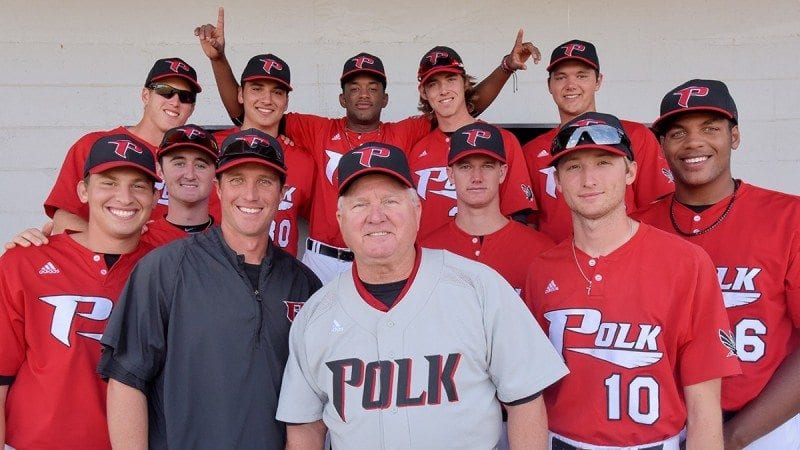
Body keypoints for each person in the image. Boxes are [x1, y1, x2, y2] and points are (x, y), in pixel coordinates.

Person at [195, 6, 539, 282]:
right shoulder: (315, 128)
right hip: (322, 259)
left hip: (382, 254)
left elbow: (461, 106)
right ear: (341, 98)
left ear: (386, 98)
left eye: (373, 88)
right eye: (354, 87)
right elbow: (249, 114)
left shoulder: (405, 133)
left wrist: (506, 67)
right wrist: (219, 59)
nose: (363, 95)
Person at [276, 142, 567, 449]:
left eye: (390, 201)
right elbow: (305, 426)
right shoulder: (316, 314)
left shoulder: (479, 287)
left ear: (417, 211)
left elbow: (525, 401)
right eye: (360, 205)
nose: (376, 217)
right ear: (340, 218)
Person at [523, 112, 740, 449]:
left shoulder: (687, 262)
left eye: (603, 162)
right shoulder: (541, 270)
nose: (588, 180)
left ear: (630, 171)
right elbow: (530, 397)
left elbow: (704, 408)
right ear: (558, 181)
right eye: (573, 167)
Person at [98, 128, 322, 449]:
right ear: (217, 188)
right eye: (236, 180)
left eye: (264, 181)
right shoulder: (164, 268)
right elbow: (125, 380)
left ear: (282, 192)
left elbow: (311, 402)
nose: (250, 195)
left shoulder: (304, 284)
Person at [633, 79, 800, 449]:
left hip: (764, 427)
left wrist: (732, 438)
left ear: (735, 136)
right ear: (661, 146)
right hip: (661, 428)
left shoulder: (790, 217)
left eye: (710, 128)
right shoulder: (635, 226)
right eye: (678, 132)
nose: (694, 142)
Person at [0, 134, 159, 449]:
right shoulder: (25, 261)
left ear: (155, 198)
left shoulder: (164, 269)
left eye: (138, 186)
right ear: (83, 191)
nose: (125, 198)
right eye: (109, 183)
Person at [521, 39, 673, 242]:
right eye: (561, 77)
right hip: (558, 263)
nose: (571, 85)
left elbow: (658, 208)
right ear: (549, 85)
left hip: (626, 260)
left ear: (598, 81)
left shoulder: (635, 135)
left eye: (582, 75)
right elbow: (531, 223)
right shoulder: (532, 151)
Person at [44, 57, 203, 234]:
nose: (175, 102)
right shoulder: (94, 145)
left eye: (186, 96)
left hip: (178, 259)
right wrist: (119, 245)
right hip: (109, 259)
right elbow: (65, 219)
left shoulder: (199, 161)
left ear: (192, 108)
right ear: (146, 95)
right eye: (165, 91)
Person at [410, 45, 536, 236]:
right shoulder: (416, 149)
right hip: (430, 259)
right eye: (433, 84)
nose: (443, 90)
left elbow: (519, 216)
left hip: (485, 259)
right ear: (424, 92)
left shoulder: (502, 139)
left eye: (451, 79)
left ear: (465, 83)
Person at [420, 121, 554, 293]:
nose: (477, 177)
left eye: (487, 166)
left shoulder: (542, 250)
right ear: (451, 174)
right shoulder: (427, 252)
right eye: (465, 166)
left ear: (502, 172)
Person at [212, 53, 314, 256]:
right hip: (215, 271)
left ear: (286, 102)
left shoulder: (304, 161)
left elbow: (325, 222)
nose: (267, 100)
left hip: (280, 277)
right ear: (241, 94)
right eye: (257, 89)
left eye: (277, 92)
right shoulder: (212, 147)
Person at [142, 124, 220, 246]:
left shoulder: (231, 241)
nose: (190, 175)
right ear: (159, 170)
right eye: (179, 163)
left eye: (200, 165)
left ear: (216, 174)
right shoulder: (139, 239)